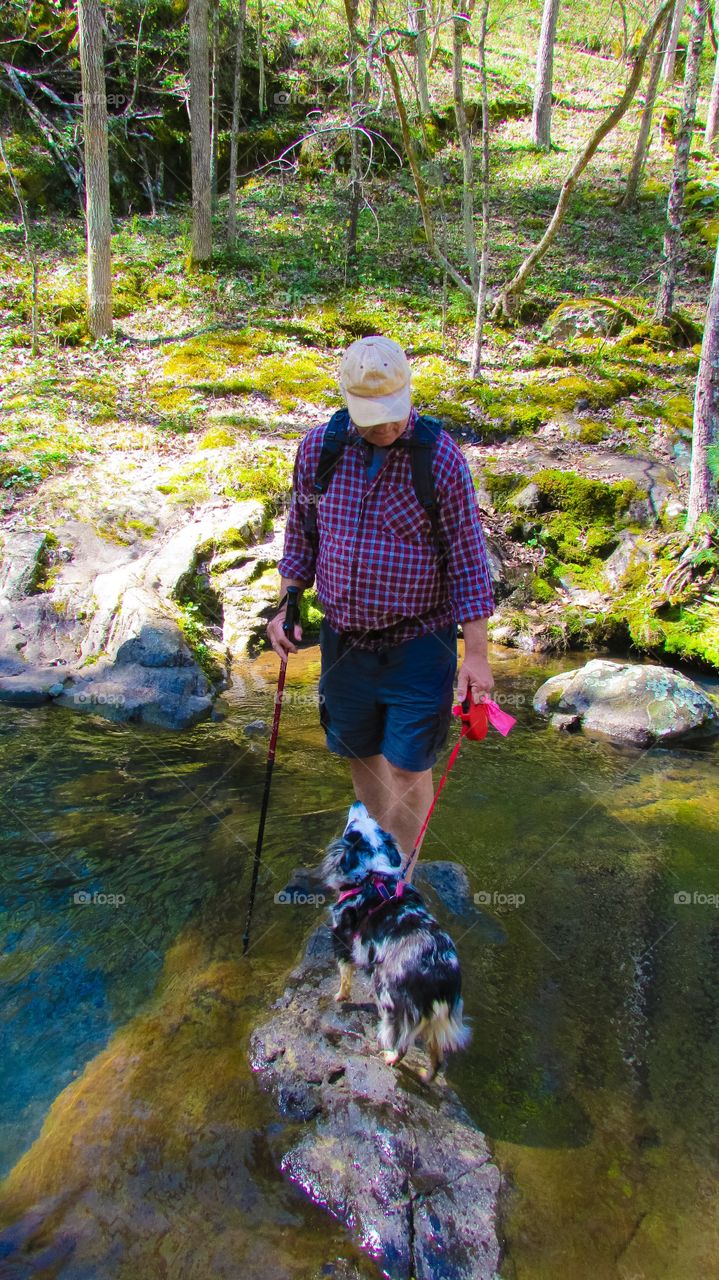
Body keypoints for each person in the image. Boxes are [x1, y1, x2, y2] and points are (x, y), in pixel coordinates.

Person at [267, 335, 495, 872]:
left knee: (409, 765)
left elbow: (467, 561)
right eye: (373, 418)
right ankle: (376, 860)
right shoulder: (319, 449)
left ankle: (401, 878)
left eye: (393, 414)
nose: (386, 427)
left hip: (419, 641)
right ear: (348, 401)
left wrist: (477, 656)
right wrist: (287, 604)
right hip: (344, 642)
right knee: (360, 753)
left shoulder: (439, 458)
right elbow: (301, 534)